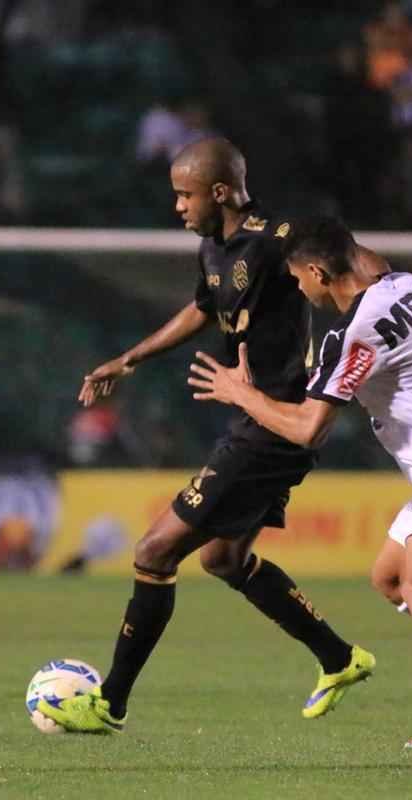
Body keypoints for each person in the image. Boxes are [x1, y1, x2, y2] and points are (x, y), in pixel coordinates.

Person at [38, 138, 374, 734]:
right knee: (224, 558)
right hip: (254, 418)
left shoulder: (276, 235)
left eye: (184, 195)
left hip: (276, 422)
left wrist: (406, 296)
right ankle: (339, 658)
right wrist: (130, 358)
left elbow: (346, 252)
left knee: (153, 551)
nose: (177, 207)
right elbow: (200, 308)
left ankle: (109, 702)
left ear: (220, 192)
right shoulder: (213, 249)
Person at [189, 216, 412, 748]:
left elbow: (308, 429)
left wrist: (241, 394)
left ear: (316, 271)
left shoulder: (357, 334)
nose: (300, 290)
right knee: (393, 578)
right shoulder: (410, 286)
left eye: (299, 278)